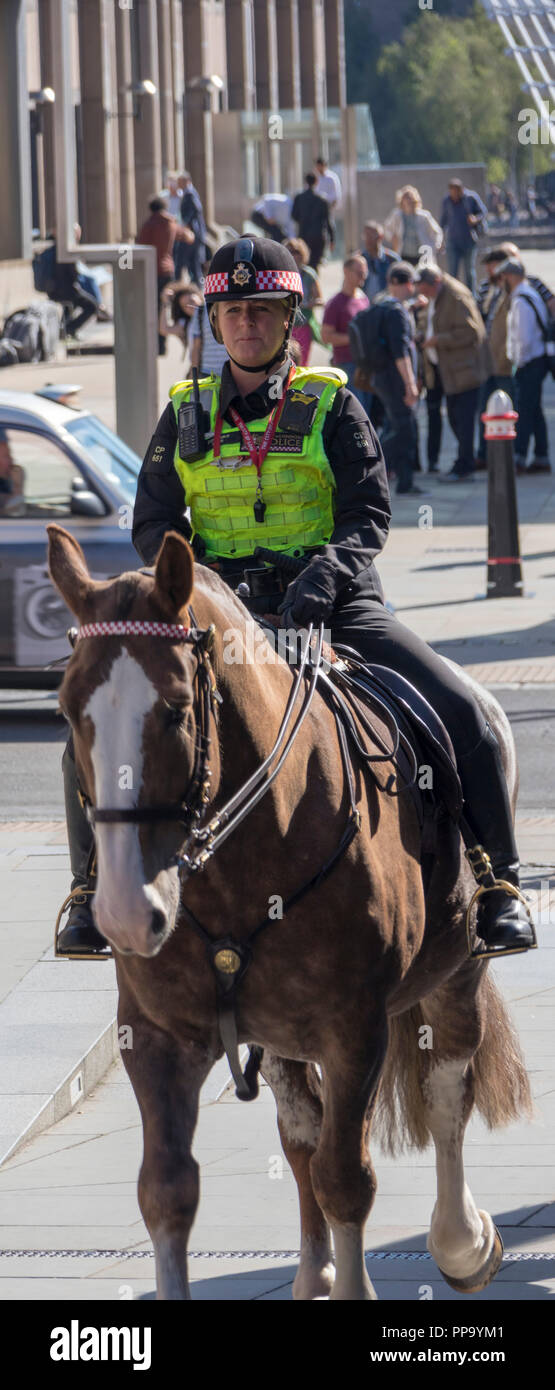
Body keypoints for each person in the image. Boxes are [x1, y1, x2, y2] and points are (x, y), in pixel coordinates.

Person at [56, 234, 536, 961]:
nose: (247, 323)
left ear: (290, 319)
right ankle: (88, 893)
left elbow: (368, 514)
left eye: (263, 310)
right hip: (219, 617)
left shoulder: (332, 404)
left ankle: (498, 883)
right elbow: (151, 519)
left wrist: (318, 580)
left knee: (459, 709)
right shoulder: (182, 412)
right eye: (233, 310)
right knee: (87, 735)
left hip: (333, 605)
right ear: (214, 322)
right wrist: (205, 583)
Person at [415, 264, 486, 481]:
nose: (423, 295)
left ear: (435, 283)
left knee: (462, 419)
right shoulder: (437, 294)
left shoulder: (455, 295)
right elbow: (431, 320)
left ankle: (465, 466)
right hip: (445, 369)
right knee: (455, 417)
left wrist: (439, 340)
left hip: (463, 369)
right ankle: (465, 461)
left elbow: (471, 332)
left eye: (425, 290)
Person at [364, 262, 422, 496]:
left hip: (384, 378)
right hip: (395, 380)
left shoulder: (385, 306)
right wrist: (410, 384)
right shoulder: (396, 312)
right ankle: (367, 467)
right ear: (403, 284)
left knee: (401, 427)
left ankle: (403, 480)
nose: (413, 288)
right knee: (403, 429)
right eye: (411, 283)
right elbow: (400, 353)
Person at [500, 257, 551, 474]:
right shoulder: (530, 294)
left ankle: (519, 457)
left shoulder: (521, 301)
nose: (501, 281)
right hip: (536, 361)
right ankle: (541, 456)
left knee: (525, 411)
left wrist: (517, 365)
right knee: (535, 410)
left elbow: (523, 339)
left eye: (503, 277)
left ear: (511, 277)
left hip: (529, 363)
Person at [137, 197, 194, 355]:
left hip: (151, 272)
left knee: (153, 309)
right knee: (164, 308)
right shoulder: (171, 222)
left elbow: (140, 247)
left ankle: (157, 345)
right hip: (168, 270)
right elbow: (189, 237)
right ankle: (164, 345)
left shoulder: (148, 225)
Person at [321, 253, 370, 405]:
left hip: (365, 363)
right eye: (359, 273)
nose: (363, 276)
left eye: (365, 273)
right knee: (356, 408)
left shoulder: (363, 298)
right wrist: (353, 339)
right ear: (346, 272)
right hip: (346, 364)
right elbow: (326, 336)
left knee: (368, 410)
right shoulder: (335, 303)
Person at [439, 178, 488, 293]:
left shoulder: (470, 198)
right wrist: (441, 240)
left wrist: (475, 219)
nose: (454, 195)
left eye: (456, 191)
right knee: (452, 272)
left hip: (469, 240)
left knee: (469, 272)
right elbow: (443, 222)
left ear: (461, 190)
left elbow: (483, 212)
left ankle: (472, 295)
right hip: (453, 241)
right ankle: (453, 296)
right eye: (452, 191)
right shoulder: (446, 201)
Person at [284, 237, 323, 366]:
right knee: (284, 361)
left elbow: (320, 299)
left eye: (296, 252)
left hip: (303, 324)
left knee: (301, 362)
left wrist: (307, 304)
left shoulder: (309, 274)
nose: (293, 255)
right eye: (289, 251)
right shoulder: (282, 274)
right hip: (284, 324)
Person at [384, 186, 443, 266]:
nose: (409, 200)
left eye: (410, 197)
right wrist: (392, 238)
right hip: (403, 254)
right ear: (402, 200)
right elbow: (387, 229)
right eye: (406, 197)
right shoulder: (397, 215)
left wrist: (435, 246)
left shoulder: (424, 216)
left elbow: (437, 232)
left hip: (421, 256)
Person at [291, 174, 335, 270]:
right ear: (316, 182)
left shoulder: (299, 198)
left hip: (303, 235)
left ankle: (305, 284)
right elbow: (328, 221)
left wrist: (302, 220)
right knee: (315, 264)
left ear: (305, 182)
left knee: (303, 264)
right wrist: (332, 239)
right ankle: (313, 283)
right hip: (318, 236)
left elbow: (293, 215)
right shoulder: (322, 200)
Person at [158, 282, 204, 362]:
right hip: (200, 370)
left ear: (199, 296)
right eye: (185, 306)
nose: (190, 306)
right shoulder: (186, 324)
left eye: (191, 300)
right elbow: (164, 329)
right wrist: (165, 303)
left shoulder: (214, 313)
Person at [179, 172, 208, 286]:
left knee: (194, 263)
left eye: (180, 182)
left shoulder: (190, 193)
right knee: (193, 263)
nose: (178, 185)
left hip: (193, 233)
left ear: (186, 181)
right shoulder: (188, 193)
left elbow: (195, 209)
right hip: (194, 232)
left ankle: (198, 287)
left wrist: (186, 223)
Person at [359, 222, 400, 302]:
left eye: (371, 236)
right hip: (364, 305)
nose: (368, 239)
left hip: (386, 306)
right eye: (366, 236)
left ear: (380, 237)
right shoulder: (359, 259)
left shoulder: (392, 260)